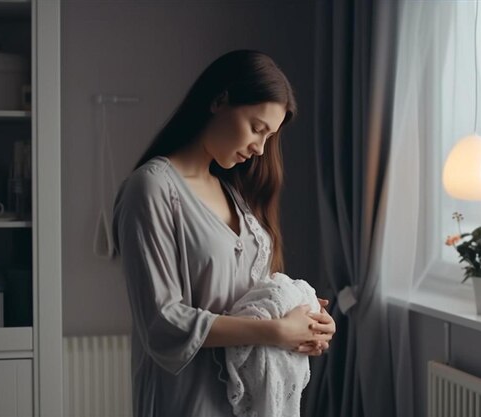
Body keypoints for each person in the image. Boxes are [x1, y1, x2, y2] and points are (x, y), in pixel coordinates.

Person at [112, 49, 336, 417]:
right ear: (219, 101)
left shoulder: (233, 192)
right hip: (186, 400)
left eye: (269, 136)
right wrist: (277, 332)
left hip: (247, 396)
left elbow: (255, 296)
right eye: (257, 128)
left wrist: (308, 322)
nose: (260, 148)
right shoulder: (151, 188)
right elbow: (161, 321)